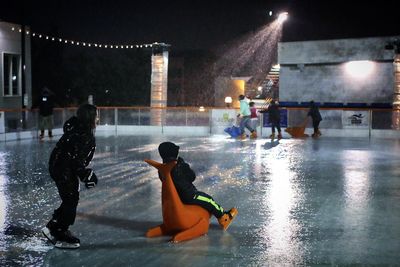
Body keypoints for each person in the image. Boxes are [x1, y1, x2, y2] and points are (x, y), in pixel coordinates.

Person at [42, 104, 99, 249]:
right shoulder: (84, 135)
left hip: (57, 165)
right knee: (71, 199)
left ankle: (54, 225)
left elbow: (71, 155)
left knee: (70, 198)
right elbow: (75, 159)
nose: (98, 119)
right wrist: (87, 175)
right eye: (96, 115)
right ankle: (58, 231)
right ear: (90, 118)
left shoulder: (74, 128)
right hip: (63, 169)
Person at [158, 142, 238, 230]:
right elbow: (192, 177)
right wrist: (184, 164)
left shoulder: (162, 169)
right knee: (209, 200)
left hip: (176, 197)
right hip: (189, 195)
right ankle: (224, 217)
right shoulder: (180, 166)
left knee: (205, 200)